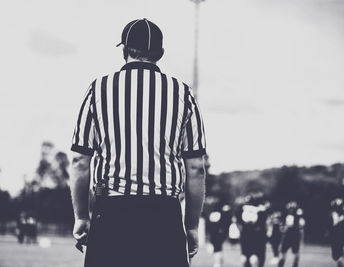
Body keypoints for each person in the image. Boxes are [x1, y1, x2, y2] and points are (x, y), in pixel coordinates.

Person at [69, 18, 207, 267]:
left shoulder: (99, 89)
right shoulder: (182, 93)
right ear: (160, 54)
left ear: (124, 51)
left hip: (111, 213)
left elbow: (80, 161)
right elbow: (196, 168)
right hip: (164, 215)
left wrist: (81, 217)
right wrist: (192, 226)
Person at [236, 192, 269, 267]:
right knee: (255, 257)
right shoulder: (260, 210)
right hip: (256, 236)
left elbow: (238, 222)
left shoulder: (240, 209)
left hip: (244, 235)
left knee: (244, 257)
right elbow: (264, 224)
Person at [204, 199, 232, 267]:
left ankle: (218, 263)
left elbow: (209, 226)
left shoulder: (212, 214)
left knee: (217, 249)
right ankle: (218, 262)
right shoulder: (220, 213)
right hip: (218, 234)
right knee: (217, 249)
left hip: (215, 234)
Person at [278, 201, 305, 267]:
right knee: (293, 253)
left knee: (287, 253)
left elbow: (282, 228)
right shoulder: (296, 217)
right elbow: (301, 228)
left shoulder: (289, 217)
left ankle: (283, 264)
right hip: (293, 236)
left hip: (290, 236)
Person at [328, 198, 344, 267]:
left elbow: (330, 225)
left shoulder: (332, 214)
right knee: (337, 256)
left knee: (337, 256)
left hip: (336, 235)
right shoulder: (333, 214)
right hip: (337, 235)